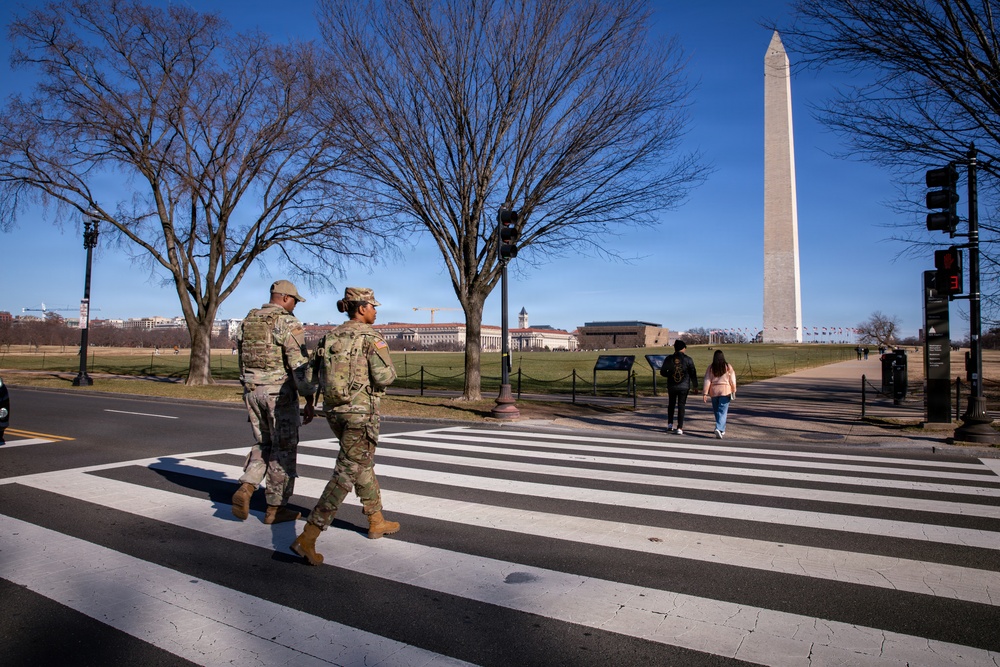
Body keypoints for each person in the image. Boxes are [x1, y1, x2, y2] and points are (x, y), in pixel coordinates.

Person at [291, 287, 398, 566]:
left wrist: (310, 402)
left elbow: (306, 378)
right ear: (361, 308)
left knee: (360, 463)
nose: (376, 311)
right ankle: (310, 534)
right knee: (346, 471)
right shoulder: (371, 338)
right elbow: (385, 377)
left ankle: (376, 520)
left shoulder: (329, 337)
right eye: (374, 306)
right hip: (360, 414)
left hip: (334, 413)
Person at [231, 279, 315, 524]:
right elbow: (299, 365)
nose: (295, 307)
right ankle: (275, 509)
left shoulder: (248, 321)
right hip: (278, 394)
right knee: (284, 449)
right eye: (295, 302)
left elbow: (242, 360)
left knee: (264, 442)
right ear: (286, 298)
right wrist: (308, 397)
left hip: (252, 389)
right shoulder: (286, 322)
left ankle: (247, 485)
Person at [660, 339, 697, 434]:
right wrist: (695, 386)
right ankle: (680, 427)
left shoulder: (669, 358)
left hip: (672, 385)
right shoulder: (688, 359)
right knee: (681, 406)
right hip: (684, 386)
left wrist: (670, 374)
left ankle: (670, 424)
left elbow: (663, 372)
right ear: (683, 348)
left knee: (671, 405)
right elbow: (693, 373)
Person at [703, 349, 737, 439]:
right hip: (725, 390)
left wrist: (705, 393)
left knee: (717, 411)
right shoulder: (727, 366)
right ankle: (719, 428)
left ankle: (721, 427)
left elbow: (707, 380)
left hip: (714, 390)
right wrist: (734, 390)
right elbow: (732, 380)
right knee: (722, 411)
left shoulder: (711, 367)